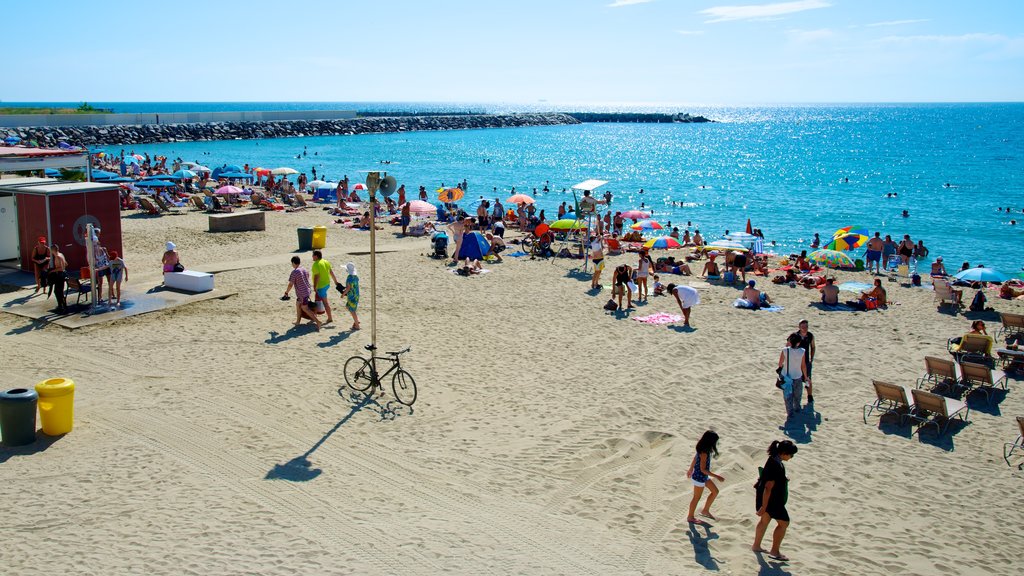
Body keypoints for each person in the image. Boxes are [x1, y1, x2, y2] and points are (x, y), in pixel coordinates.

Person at [752, 440, 799, 562]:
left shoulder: (774, 458)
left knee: (765, 520)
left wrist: (783, 479)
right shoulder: (776, 465)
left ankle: (756, 546)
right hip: (772, 500)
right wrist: (764, 506)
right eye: (791, 455)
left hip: (765, 497)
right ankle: (775, 551)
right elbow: (768, 487)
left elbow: (770, 479)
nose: (791, 457)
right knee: (784, 523)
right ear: (784, 453)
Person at [685, 431, 725, 525]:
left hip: (703, 476)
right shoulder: (704, 452)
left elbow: (695, 458)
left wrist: (690, 469)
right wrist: (717, 476)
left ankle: (705, 510)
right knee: (696, 497)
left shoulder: (703, 448)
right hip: (700, 477)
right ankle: (690, 517)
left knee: (715, 491)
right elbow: (703, 469)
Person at [283, 256, 320, 331]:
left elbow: (290, 284)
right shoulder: (304, 269)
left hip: (302, 293)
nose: (292, 265)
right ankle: (297, 322)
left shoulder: (295, 272)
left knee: (304, 308)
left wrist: (286, 292)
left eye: (292, 263)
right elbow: (307, 278)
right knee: (298, 304)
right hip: (307, 290)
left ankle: (318, 322)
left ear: (293, 263)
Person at [779, 333, 809, 417]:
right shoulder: (802, 351)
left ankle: (790, 413)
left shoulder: (785, 350)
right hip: (797, 376)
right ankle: (797, 408)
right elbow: (803, 366)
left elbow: (780, 363)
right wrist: (806, 377)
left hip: (786, 376)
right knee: (797, 395)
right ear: (798, 342)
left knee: (788, 396)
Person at [310, 250, 339, 324]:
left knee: (325, 302)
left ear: (316, 256)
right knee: (317, 298)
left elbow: (317, 276)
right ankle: (315, 315)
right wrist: (335, 282)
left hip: (321, 286)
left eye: (313, 255)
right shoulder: (326, 261)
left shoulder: (316, 264)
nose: (312, 257)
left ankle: (330, 318)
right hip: (327, 284)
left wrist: (315, 286)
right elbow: (331, 272)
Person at [791, 320, 816, 403]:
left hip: (806, 361)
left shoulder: (810, 335)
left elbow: (813, 346)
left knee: (808, 379)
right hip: (797, 362)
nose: (805, 328)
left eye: (806, 327)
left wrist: (811, 358)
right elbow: (789, 346)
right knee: (796, 380)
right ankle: (795, 398)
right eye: (803, 327)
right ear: (799, 327)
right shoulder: (795, 336)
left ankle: (810, 395)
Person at [47, 243, 68, 313]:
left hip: (60, 275)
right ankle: (62, 304)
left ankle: (61, 305)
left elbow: (61, 268)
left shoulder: (57, 257)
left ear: (53, 250)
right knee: (59, 291)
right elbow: (66, 264)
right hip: (62, 274)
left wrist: (52, 271)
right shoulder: (61, 254)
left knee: (57, 291)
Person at [341, 262, 360, 331]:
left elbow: (348, 288)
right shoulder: (356, 277)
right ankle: (356, 321)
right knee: (349, 307)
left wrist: (343, 294)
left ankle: (357, 325)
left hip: (352, 296)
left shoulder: (349, 278)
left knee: (352, 311)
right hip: (356, 295)